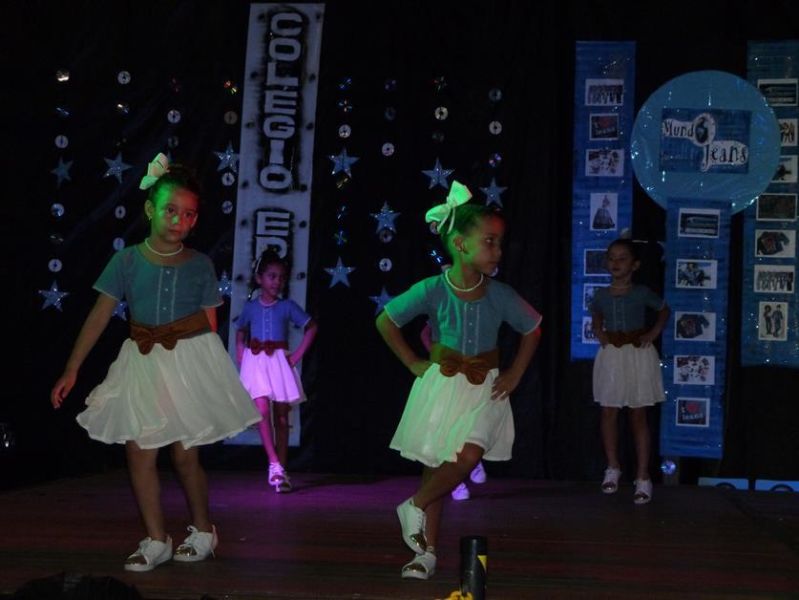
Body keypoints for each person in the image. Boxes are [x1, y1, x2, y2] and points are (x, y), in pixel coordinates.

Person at [50, 154, 261, 571]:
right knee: (140, 451)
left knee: (185, 454)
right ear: (150, 209)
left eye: (188, 214)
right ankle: (155, 538)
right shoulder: (126, 261)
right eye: (170, 210)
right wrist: (73, 367)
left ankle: (203, 530)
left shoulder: (200, 264)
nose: (179, 220)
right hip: (142, 363)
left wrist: (203, 376)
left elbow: (209, 325)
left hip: (186, 365)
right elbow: (99, 315)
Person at [375, 181, 542, 580]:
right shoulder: (433, 289)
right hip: (443, 385)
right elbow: (386, 320)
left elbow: (533, 328)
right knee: (435, 468)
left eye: (500, 243)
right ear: (460, 244)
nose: (497, 251)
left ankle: (413, 505)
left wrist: (515, 373)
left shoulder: (500, 294)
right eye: (489, 242)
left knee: (467, 456)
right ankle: (426, 553)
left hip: (486, 387)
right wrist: (413, 362)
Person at [590, 238, 669, 505]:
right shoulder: (601, 294)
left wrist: (653, 332)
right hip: (612, 354)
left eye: (622, 258)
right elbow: (596, 311)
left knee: (638, 414)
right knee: (608, 410)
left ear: (634, 265)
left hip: (638, 354)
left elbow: (663, 310)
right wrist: (598, 329)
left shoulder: (641, 292)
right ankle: (613, 466)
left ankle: (643, 475)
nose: (616, 263)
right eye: (612, 258)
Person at [236, 249, 317, 493]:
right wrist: (240, 351)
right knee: (262, 411)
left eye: (281, 277)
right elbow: (241, 330)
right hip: (256, 363)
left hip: (278, 362)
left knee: (281, 418)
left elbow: (312, 327)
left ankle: (282, 470)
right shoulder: (250, 307)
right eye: (272, 276)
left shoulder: (287, 306)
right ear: (259, 278)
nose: (277, 281)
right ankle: (274, 464)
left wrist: (297, 355)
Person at [420, 322, 488, 502]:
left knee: (466, 419)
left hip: (467, 372)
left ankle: (471, 462)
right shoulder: (440, 312)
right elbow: (425, 334)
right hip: (445, 373)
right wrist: (437, 355)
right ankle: (455, 483)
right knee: (441, 428)